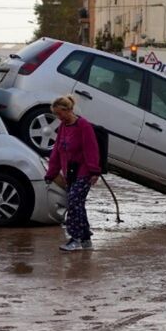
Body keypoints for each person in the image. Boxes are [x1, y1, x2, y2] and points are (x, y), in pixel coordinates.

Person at [44, 95, 101, 252]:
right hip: (70, 174)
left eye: (59, 113)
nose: (58, 117)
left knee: (74, 201)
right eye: (56, 114)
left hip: (84, 172)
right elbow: (57, 151)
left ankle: (75, 238)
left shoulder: (83, 126)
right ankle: (86, 240)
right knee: (78, 204)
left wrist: (94, 171)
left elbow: (91, 149)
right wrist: (51, 173)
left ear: (68, 110)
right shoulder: (63, 127)